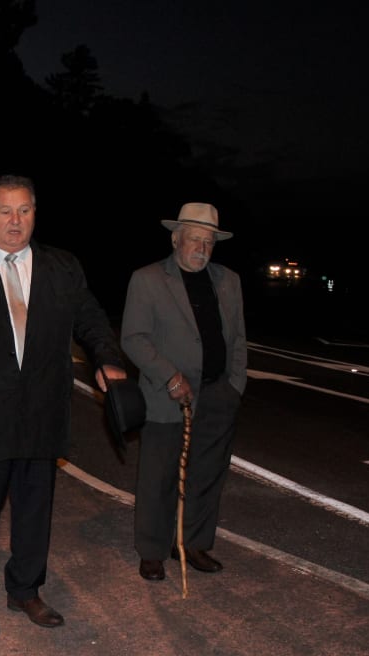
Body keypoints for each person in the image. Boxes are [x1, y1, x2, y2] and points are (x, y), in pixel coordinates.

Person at [0, 174, 127, 638]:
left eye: (24, 211)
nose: (15, 221)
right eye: (5, 211)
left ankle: (25, 589)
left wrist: (109, 361)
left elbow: (91, 319)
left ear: (35, 214)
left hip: (43, 411)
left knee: (35, 508)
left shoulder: (62, 267)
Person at [120, 202, 247, 582]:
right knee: (159, 475)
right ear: (176, 239)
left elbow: (238, 338)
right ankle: (153, 550)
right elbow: (134, 338)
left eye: (209, 242)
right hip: (167, 395)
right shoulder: (148, 279)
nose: (202, 249)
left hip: (216, 394)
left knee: (207, 474)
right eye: (195, 240)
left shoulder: (229, 281)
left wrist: (235, 385)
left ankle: (191, 544)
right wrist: (169, 376)